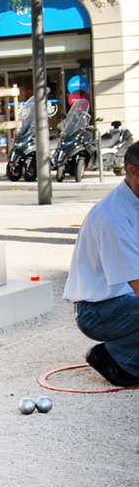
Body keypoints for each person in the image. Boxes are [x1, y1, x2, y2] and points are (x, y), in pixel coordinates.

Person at [63, 140, 139, 387]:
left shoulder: (131, 203)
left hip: (121, 302)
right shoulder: (113, 218)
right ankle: (116, 358)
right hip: (97, 312)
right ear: (134, 171)